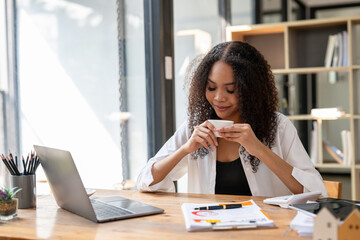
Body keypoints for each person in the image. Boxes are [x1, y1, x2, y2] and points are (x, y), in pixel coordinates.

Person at [137, 41, 327, 197]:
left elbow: (316, 192)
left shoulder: (278, 127)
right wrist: (185, 149)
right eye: (211, 88)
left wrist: (259, 149)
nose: (219, 98)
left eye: (230, 90)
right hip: (208, 227)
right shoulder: (196, 126)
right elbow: (145, 181)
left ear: (250, 89)